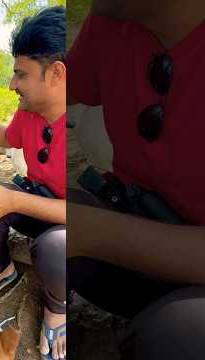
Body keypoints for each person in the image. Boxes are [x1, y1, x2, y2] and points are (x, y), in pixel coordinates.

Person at [67, 0, 205, 358]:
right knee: (45, 218)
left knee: (174, 335)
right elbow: (56, 91)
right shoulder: (113, 20)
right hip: (141, 235)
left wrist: (95, 232)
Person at [0, 7, 67, 360]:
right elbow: (7, 138)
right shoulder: (28, 112)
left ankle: (57, 307)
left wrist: (15, 202)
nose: (11, 85)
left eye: (21, 74)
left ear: (56, 73)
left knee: (53, 251)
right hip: (38, 200)